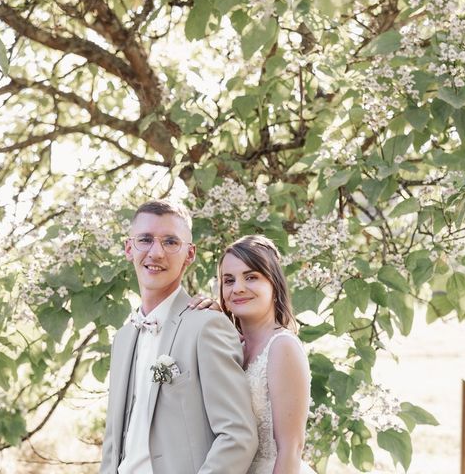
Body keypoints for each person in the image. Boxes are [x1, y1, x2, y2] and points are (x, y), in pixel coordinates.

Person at [100, 200, 258, 474]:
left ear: (190, 253)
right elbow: (113, 444)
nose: (156, 252)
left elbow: (238, 436)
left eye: (171, 242)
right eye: (145, 240)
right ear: (129, 248)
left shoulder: (207, 326)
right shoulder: (123, 338)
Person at [218, 235, 316, 474]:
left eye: (251, 277)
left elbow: (291, 448)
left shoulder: (282, 347)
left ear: (274, 285)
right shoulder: (232, 347)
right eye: (228, 280)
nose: (238, 288)